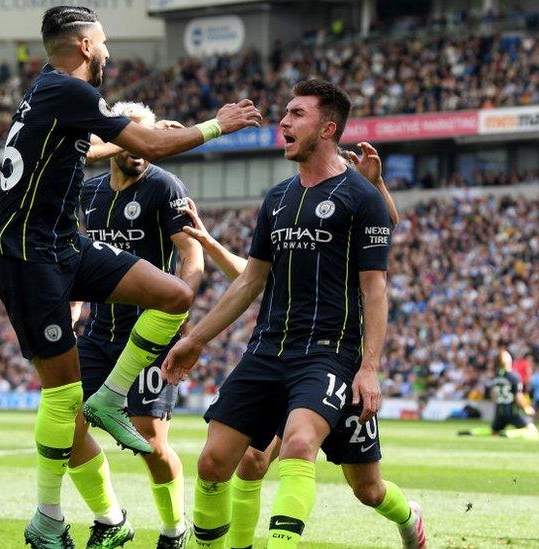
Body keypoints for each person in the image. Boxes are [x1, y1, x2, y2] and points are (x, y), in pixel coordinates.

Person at [0, 6, 260, 548]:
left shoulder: (48, 90)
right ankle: (49, 518)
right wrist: (215, 125)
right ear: (85, 46)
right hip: (28, 261)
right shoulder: (71, 92)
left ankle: (111, 397)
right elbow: (151, 148)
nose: (108, 51)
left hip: (63, 247)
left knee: (175, 294)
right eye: (103, 42)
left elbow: (100, 146)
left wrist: (141, 137)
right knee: (62, 401)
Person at [162, 79, 426, 549]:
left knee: (361, 484)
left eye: (296, 114)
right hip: (268, 349)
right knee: (213, 463)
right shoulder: (277, 199)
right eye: (284, 113)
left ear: (328, 128)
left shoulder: (361, 196)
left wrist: (369, 368)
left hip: (330, 354)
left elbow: (375, 288)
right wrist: (197, 338)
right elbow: (249, 280)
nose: (282, 121)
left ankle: (410, 520)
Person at [68, 101, 203, 549]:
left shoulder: (165, 187)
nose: (142, 150)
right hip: (99, 335)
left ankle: (173, 529)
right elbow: (74, 260)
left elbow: (190, 255)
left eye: (149, 141)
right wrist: (71, 308)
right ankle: (111, 519)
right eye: (135, 139)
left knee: (150, 441)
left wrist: (179, 311)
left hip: (147, 339)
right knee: (65, 427)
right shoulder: (89, 194)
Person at [458, 350, 539, 439]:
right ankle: (509, 434)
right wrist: (527, 408)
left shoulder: (496, 376)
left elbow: (493, 395)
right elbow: (518, 396)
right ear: (509, 361)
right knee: (532, 431)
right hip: (512, 411)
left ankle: (472, 432)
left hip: (499, 411)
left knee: (493, 431)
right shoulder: (514, 376)